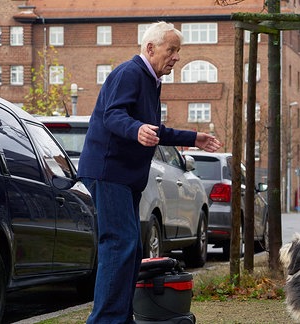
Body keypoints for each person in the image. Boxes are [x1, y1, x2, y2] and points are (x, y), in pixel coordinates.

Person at [77, 21, 221, 323]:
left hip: (125, 176)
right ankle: (105, 319)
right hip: (108, 171)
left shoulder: (150, 80)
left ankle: (120, 316)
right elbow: (113, 114)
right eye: (172, 50)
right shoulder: (129, 73)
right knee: (120, 244)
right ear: (150, 48)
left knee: (131, 248)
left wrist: (194, 138)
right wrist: (136, 129)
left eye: (178, 51)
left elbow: (156, 130)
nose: (176, 57)